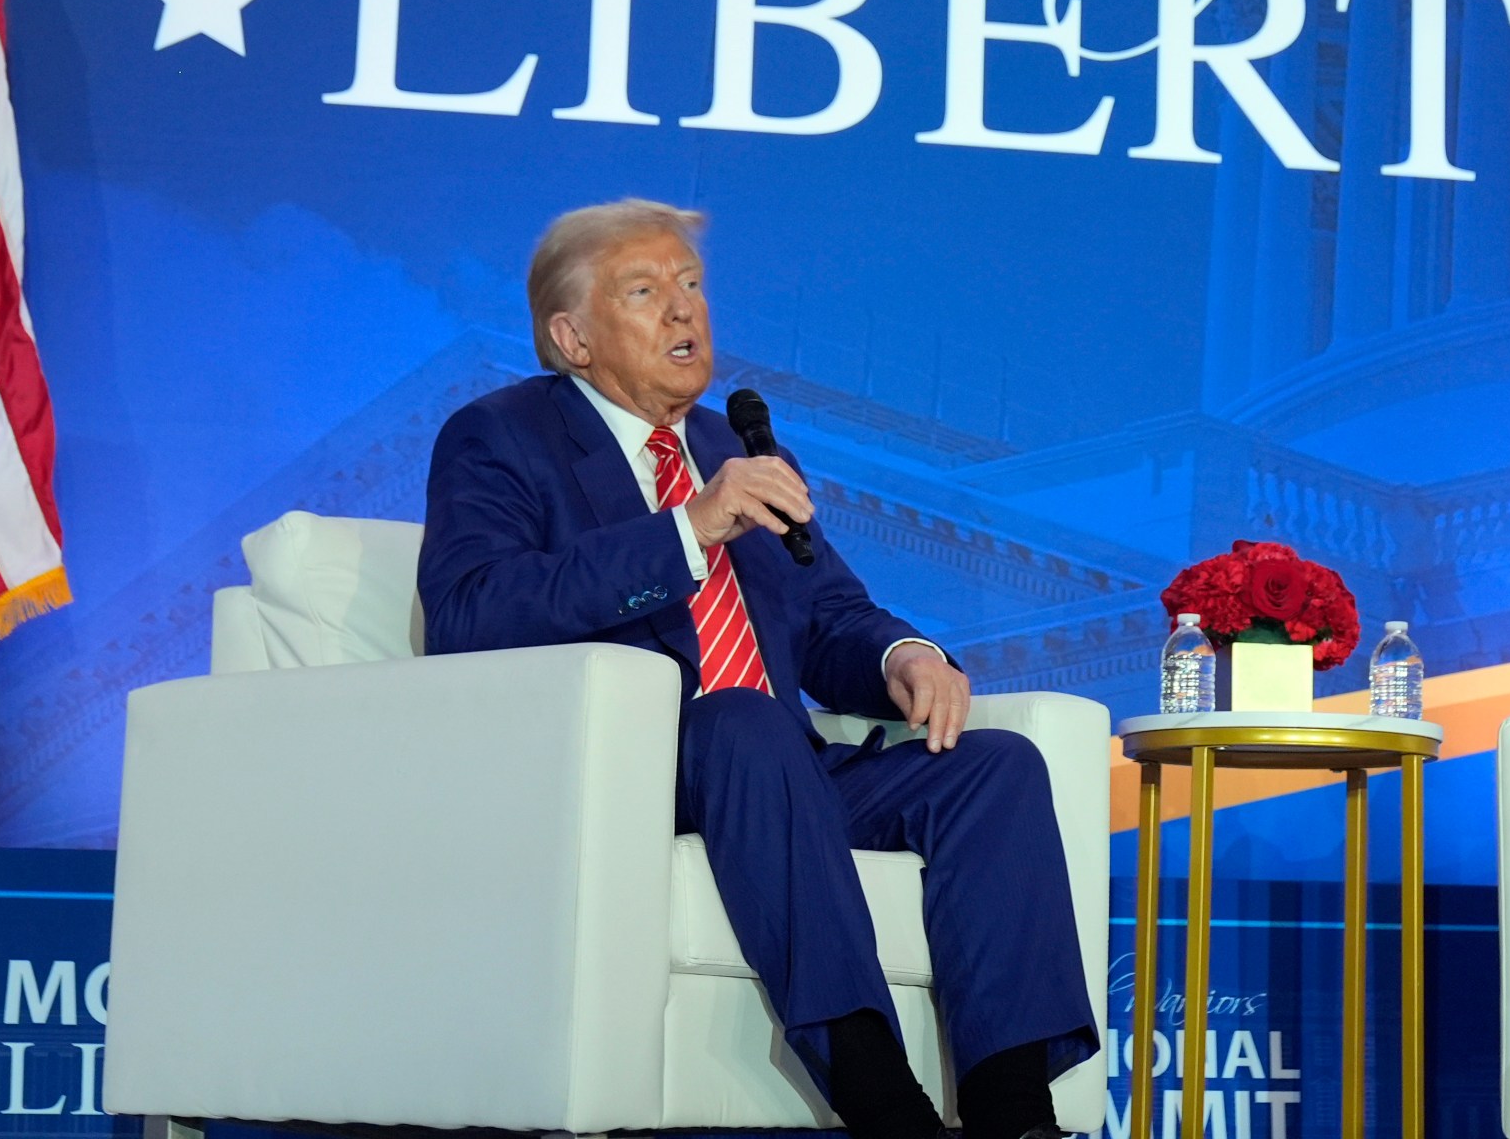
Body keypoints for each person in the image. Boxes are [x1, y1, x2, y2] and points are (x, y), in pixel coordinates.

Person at [416, 199, 1095, 1139]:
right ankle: (882, 1103)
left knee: (992, 769)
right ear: (571, 337)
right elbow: (469, 612)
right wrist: (687, 529)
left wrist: (906, 656)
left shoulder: (732, 447)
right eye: (646, 292)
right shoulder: (501, 437)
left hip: (778, 765)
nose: (683, 312)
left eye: (691, 287)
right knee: (743, 720)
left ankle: (1014, 1113)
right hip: (630, 773)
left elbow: (828, 617)